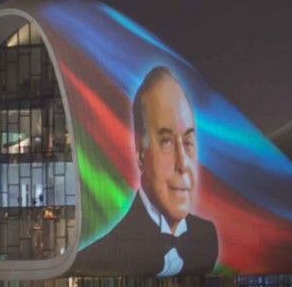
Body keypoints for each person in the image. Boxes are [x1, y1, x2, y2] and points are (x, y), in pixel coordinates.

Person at [78, 66, 219, 276]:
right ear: (140, 152)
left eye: (188, 142)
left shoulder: (206, 238)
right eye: (166, 142)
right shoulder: (105, 256)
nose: (183, 164)